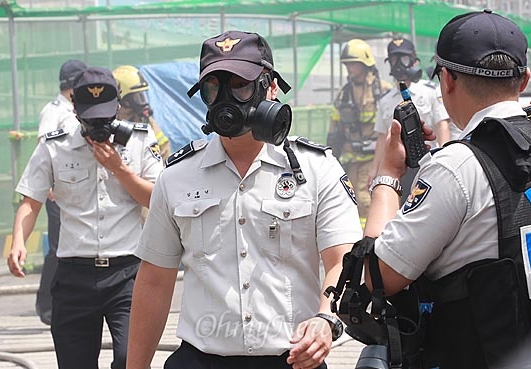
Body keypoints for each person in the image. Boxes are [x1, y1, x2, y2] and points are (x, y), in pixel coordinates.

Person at [126, 30, 363, 369]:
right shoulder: (176, 176)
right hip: (201, 359)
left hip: (292, 360)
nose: (227, 97)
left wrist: (327, 319)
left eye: (241, 84)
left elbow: (344, 260)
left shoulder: (315, 169)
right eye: (214, 86)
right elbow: (154, 279)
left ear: (271, 87)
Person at [362, 9, 531, 369]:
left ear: (446, 80)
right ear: (524, 80)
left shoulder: (455, 167)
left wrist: (388, 176)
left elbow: (378, 277)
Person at [7, 66, 163, 369]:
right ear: (75, 109)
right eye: (91, 118)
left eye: (105, 117)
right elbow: (31, 201)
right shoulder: (55, 147)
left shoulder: (140, 141)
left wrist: (120, 169)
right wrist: (18, 242)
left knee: (130, 359)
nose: (99, 125)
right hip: (73, 276)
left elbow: (157, 200)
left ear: (117, 107)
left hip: (127, 274)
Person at [35, 59, 87, 326]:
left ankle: (61, 300)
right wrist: (51, 183)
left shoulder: (74, 108)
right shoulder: (54, 110)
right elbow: (45, 147)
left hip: (75, 190)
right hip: (58, 191)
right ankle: (46, 305)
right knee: (57, 248)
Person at [369, 37, 450, 201]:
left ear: (414, 60)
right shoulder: (385, 100)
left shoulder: (430, 91)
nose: (399, 64)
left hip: (429, 164)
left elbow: (442, 126)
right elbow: (382, 136)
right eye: (394, 59)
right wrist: (374, 169)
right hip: (399, 169)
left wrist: (445, 161)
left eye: (404, 58)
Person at [326, 39, 391, 221]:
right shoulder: (344, 93)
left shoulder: (384, 90)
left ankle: (368, 240)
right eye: (347, 64)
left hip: (374, 159)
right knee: (349, 199)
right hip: (351, 158)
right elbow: (335, 126)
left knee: (365, 200)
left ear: (365, 63)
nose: (349, 68)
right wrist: (331, 154)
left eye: (353, 64)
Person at [112, 65, 171, 161]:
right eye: (135, 98)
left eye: (142, 96)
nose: (142, 104)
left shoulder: (145, 120)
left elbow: (164, 149)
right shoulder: (106, 123)